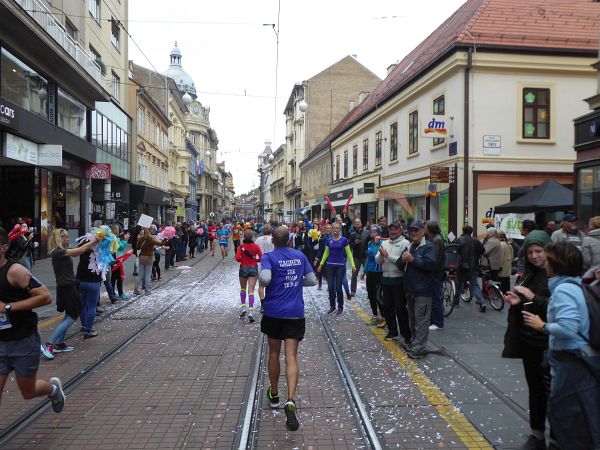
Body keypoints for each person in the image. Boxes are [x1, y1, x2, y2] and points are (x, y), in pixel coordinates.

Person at [522, 241, 598, 450]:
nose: (543, 261)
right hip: (573, 358)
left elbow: (568, 328)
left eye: (546, 257)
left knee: (567, 414)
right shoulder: (574, 284)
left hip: (571, 359)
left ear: (555, 264)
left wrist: (542, 325)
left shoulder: (564, 289)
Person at [0, 227, 65, 412]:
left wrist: (7, 307)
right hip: (0, 342)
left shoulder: (15, 271)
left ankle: (53, 390)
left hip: (22, 341)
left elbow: (45, 296)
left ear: (4, 247)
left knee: (27, 392)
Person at [259, 225, 317, 431]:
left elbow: (265, 279)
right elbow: (311, 280)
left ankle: (274, 394)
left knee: (274, 353)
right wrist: (294, 283)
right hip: (295, 312)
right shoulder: (300, 256)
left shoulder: (268, 257)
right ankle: (291, 399)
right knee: (291, 356)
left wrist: (266, 280)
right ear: (290, 240)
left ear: (273, 241)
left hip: (274, 312)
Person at [502, 230, 553, 450]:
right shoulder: (528, 273)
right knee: (535, 390)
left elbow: (558, 310)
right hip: (529, 342)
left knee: (551, 392)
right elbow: (530, 305)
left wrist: (532, 297)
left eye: (538, 251)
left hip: (548, 343)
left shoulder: (557, 276)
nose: (534, 256)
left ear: (548, 251)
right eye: (530, 252)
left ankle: (558, 436)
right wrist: (517, 301)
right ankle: (537, 434)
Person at [43, 229, 96, 357]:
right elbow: (79, 251)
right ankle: (49, 343)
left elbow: (79, 250)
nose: (68, 238)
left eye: (67, 236)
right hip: (67, 287)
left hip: (67, 286)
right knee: (72, 316)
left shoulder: (61, 252)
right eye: (65, 237)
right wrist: (95, 240)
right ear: (58, 238)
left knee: (68, 315)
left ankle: (60, 343)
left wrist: (91, 242)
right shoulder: (58, 252)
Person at [401, 220, 436, 359]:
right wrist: (402, 259)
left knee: (421, 320)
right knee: (413, 319)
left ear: (423, 232)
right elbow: (400, 263)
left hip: (423, 290)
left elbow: (430, 264)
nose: (414, 233)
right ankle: (416, 343)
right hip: (410, 290)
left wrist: (412, 259)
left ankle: (419, 347)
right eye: (412, 230)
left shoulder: (429, 246)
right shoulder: (410, 246)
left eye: (416, 230)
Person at [375, 220, 412, 344]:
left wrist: (387, 255)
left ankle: (406, 335)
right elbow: (377, 260)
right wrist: (381, 255)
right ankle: (392, 332)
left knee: (400, 309)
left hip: (398, 279)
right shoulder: (384, 243)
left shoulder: (405, 243)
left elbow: (402, 262)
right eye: (391, 229)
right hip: (385, 278)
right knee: (387, 308)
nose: (393, 231)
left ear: (400, 230)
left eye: (395, 229)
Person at [318, 222, 356, 315]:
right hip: (329, 266)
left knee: (339, 287)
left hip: (340, 266)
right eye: (334, 228)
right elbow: (326, 253)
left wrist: (353, 265)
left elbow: (349, 253)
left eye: (337, 228)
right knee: (331, 288)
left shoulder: (344, 240)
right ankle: (332, 306)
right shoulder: (329, 240)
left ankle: (340, 307)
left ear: (340, 230)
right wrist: (321, 264)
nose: (335, 230)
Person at [455, 225, 486, 312]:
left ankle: (456, 301)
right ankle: (481, 301)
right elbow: (483, 251)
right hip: (474, 266)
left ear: (463, 231)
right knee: (475, 284)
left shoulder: (459, 240)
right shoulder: (476, 240)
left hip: (462, 266)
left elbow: (455, 252)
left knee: (458, 283)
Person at [76, 240, 103, 339]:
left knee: (83, 304)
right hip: (93, 282)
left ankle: (84, 325)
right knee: (92, 306)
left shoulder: (82, 251)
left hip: (81, 281)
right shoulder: (99, 252)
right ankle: (88, 330)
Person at [236, 230, 263, 322]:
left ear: (244, 237)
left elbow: (237, 258)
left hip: (243, 268)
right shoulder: (256, 246)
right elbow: (261, 257)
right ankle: (251, 312)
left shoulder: (241, 247)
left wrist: (242, 259)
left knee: (243, 288)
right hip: (253, 268)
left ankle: (244, 307)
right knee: (251, 290)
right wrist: (255, 260)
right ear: (252, 237)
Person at [360, 225, 384, 326]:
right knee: (371, 295)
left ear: (379, 233)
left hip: (380, 272)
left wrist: (377, 242)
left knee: (378, 296)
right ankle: (375, 316)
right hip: (371, 272)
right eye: (371, 232)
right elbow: (369, 259)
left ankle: (383, 317)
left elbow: (377, 256)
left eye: (375, 232)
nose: (372, 234)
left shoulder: (383, 243)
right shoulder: (370, 243)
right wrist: (364, 271)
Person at [426, 221, 445, 331]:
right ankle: (434, 320)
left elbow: (435, 258)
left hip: (435, 273)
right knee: (434, 297)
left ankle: (438, 322)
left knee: (435, 298)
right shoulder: (435, 238)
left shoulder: (436, 239)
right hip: (435, 273)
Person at [134, 228, 165, 296]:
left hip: (142, 257)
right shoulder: (151, 239)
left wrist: (138, 240)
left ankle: (136, 289)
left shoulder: (140, 239)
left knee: (140, 274)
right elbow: (160, 244)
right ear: (149, 232)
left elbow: (138, 248)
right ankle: (147, 291)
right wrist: (166, 240)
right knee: (148, 275)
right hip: (149, 257)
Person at [349, 218, 370, 296]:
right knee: (354, 274)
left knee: (368, 274)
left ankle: (369, 291)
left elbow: (371, 242)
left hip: (365, 257)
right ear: (354, 225)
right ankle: (353, 291)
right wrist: (355, 243)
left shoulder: (367, 232)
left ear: (361, 223)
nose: (357, 223)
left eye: (359, 222)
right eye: (356, 222)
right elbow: (349, 246)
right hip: (356, 257)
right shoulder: (352, 234)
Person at [255, 224, 274, 304]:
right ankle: (270, 301)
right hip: (270, 263)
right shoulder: (273, 239)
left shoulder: (258, 240)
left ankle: (263, 304)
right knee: (271, 284)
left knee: (261, 285)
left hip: (259, 262)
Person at [314, 223, 332, 290]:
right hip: (322, 256)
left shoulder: (334, 237)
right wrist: (317, 259)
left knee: (328, 272)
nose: (328, 230)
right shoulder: (322, 237)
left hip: (331, 257)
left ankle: (329, 284)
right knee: (320, 270)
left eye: (329, 228)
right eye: (326, 228)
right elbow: (320, 249)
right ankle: (320, 284)